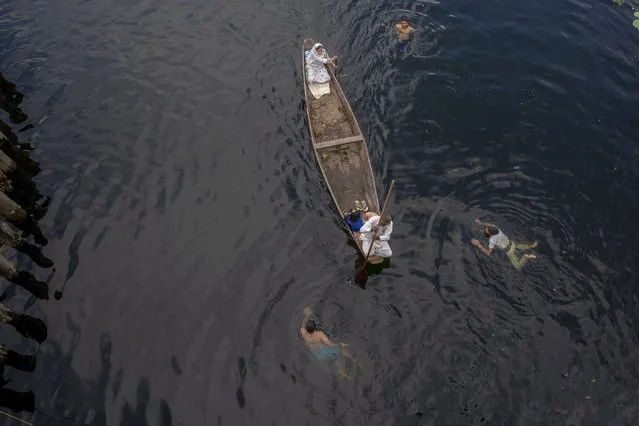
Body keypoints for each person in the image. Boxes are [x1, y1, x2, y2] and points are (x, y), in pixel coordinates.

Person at [300, 307, 359, 379]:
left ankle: (344, 372)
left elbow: (303, 323)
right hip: (324, 350)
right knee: (341, 350)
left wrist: (307, 315)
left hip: (316, 353)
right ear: (314, 327)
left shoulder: (303, 331)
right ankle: (352, 366)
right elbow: (330, 344)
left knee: (334, 357)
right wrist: (341, 344)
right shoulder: (319, 334)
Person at [471, 218, 538, 271]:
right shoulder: (496, 228)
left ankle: (525, 257)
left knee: (518, 267)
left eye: (487, 230)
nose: (486, 229)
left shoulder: (492, 240)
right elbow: (488, 225)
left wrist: (478, 244)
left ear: (491, 234)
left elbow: (488, 253)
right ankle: (532, 246)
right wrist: (480, 223)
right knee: (518, 247)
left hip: (509, 251)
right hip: (512, 244)